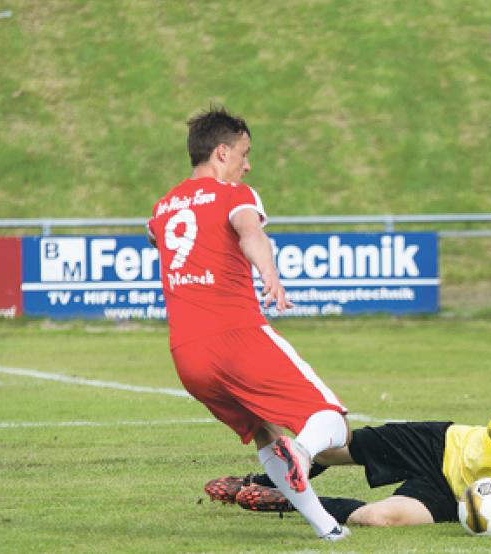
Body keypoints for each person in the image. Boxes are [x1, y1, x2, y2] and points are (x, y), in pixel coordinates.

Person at [146, 106, 351, 541]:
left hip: (187, 356)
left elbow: (155, 234)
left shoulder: (164, 206)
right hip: (236, 336)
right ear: (221, 153)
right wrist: (270, 274)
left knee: (264, 432)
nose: (247, 164)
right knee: (329, 419)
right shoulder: (233, 194)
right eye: (244, 152)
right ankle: (304, 450)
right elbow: (249, 232)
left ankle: (328, 529)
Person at [207, 374, 491, 528]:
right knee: (337, 450)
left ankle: (286, 500)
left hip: (454, 498)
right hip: (442, 443)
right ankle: (257, 479)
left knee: (378, 518)